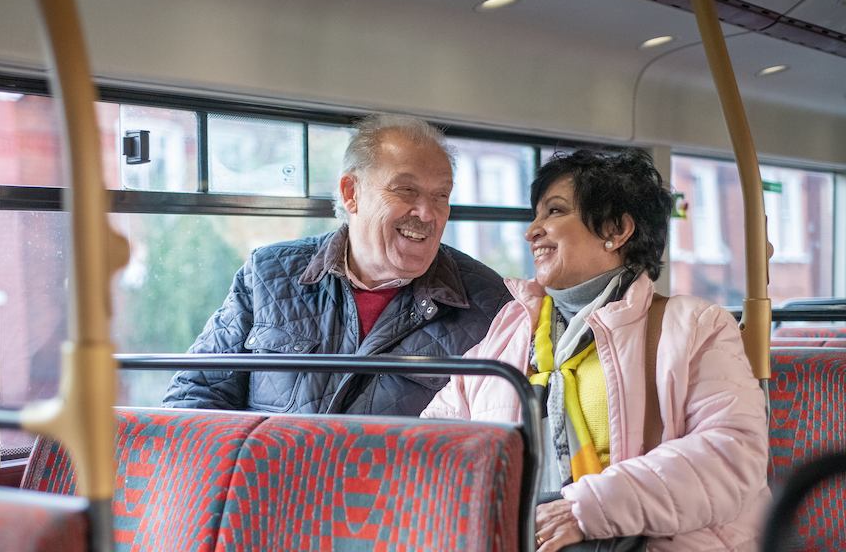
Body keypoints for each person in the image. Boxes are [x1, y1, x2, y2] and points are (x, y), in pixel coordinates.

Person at [422, 150, 769, 551]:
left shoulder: (693, 327)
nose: (532, 230)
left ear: (616, 229)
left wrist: (586, 510)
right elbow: (438, 439)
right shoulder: (512, 328)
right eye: (536, 215)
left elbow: (731, 458)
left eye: (554, 212)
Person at [162, 114, 512, 415]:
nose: (427, 213)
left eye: (441, 196)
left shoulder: (488, 305)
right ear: (351, 193)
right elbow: (194, 397)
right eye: (406, 190)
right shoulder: (267, 275)